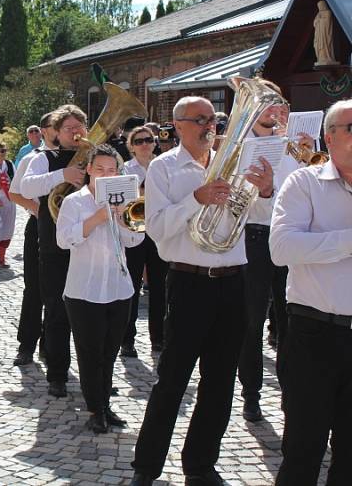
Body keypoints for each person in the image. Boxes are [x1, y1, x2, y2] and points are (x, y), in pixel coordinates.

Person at [130, 94, 275, 486]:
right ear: (177, 125)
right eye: (199, 119)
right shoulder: (163, 168)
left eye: (212, 119)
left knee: (220, 380)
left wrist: (264, 192)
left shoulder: (236, 161)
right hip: (189, 281)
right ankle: (146, 467)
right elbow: (156, 229)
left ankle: (200, 464)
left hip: (233, 281)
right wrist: (196, 198)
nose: (209, 125)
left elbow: (260, 218)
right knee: (173, 377)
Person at [269, 99, 352, 485]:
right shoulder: (303, 182)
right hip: (315, 333)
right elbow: (282, 249)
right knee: (303, 449)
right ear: (329, 136)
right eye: (351, 128)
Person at [57, 143, 143, 434]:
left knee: (110, 352)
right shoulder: (74, 202)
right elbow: (64, 240)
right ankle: (95, 408)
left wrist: (121, 218)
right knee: (90, 353)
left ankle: (104, 404)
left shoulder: (128, 201)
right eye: (100, 169)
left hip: (119, 288)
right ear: (89, 171)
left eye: (112, 170)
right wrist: (97, 217)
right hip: (84, 290)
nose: (106, 174)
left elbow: (136, 242)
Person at [236, 83, 302, 423]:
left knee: (292, 321)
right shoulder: (239, 146)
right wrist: (266, 192)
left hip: (290, 239)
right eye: (266, 105)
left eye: (278, 106)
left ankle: (292, 393)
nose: (274, 112)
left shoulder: (295, 147)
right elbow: (237, 201)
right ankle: (251, 393)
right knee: (252, 320)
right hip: (255, 239)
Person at [22, 104, 89, 398]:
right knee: (57, 310)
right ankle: (58, 375)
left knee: (91, 313)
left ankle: (94, 377)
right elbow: (25, 187)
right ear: (56, 133)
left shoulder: (94, 156)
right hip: (54, 244)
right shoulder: (43, 158)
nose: (75, 133)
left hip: (89, 243)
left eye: (79, 127)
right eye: (68, 129)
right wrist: (63, 174)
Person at [9, 112, 57, 366]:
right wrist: (42, 212)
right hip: (39, 224)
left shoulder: (74, 157)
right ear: (44, 131)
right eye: (55, 127)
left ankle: (50, 346)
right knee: (34, 287)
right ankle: (27, 344)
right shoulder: (32, 158)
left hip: (67, 229)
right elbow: (14, 193)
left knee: (57, 291)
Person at [121, 126, 167, 357]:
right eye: (139, 141)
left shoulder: (163, 165)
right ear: (131, 146)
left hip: (158, 230)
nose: (145, 144)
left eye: (149, 140)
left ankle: (158, 338)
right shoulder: (124, 169)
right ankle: (127, 340)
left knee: (160, 288)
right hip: (134, 230)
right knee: (132, 286)